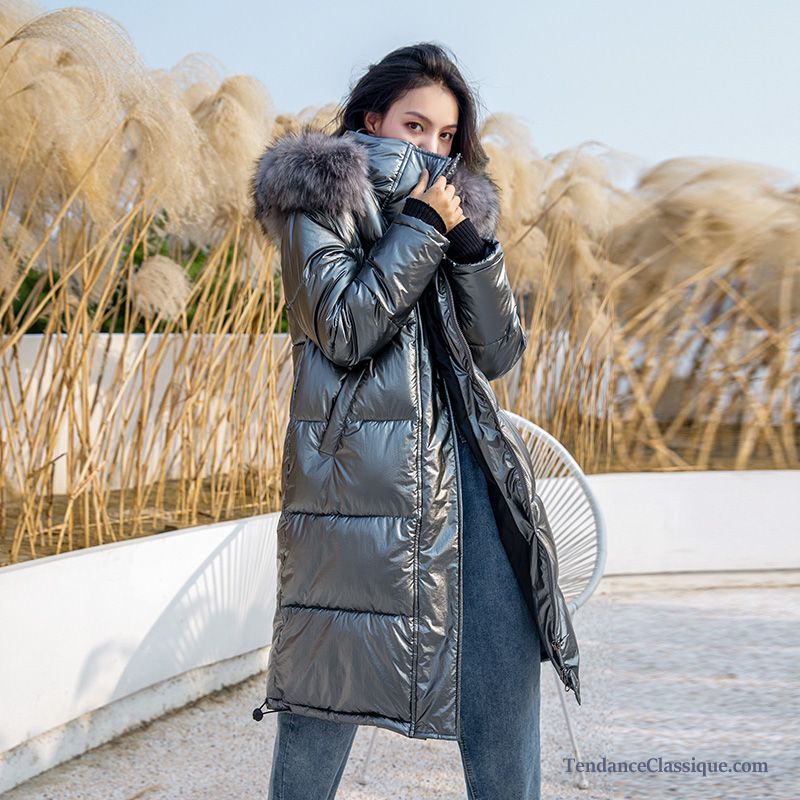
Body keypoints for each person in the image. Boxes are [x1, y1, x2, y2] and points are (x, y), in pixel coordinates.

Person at [250, 41, 581, 799]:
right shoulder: (323, 198)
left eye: (445, 136)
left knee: (504, 675)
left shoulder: (455, 211)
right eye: (414, 125)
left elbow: (497, 355)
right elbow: (342, 328)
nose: (431, 147)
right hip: (362, 491)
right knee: (325, 692)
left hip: (473, 481)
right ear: (374, 118)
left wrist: (472, 250)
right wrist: (423, 231)